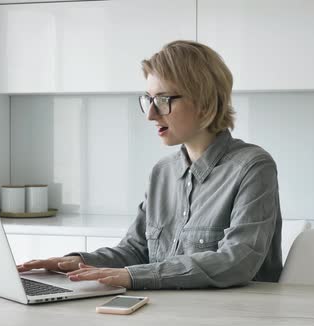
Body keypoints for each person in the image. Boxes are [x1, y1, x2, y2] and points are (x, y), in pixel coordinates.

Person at [17, 40, 282, 289]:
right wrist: (79, 262)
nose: (150, 114)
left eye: (163, 100)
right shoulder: (163, 172)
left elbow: (237, 261)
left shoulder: (252, 167)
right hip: (169, 312)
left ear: (204, 101)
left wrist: (134, 276)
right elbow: (136, 250)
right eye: (148, 99)